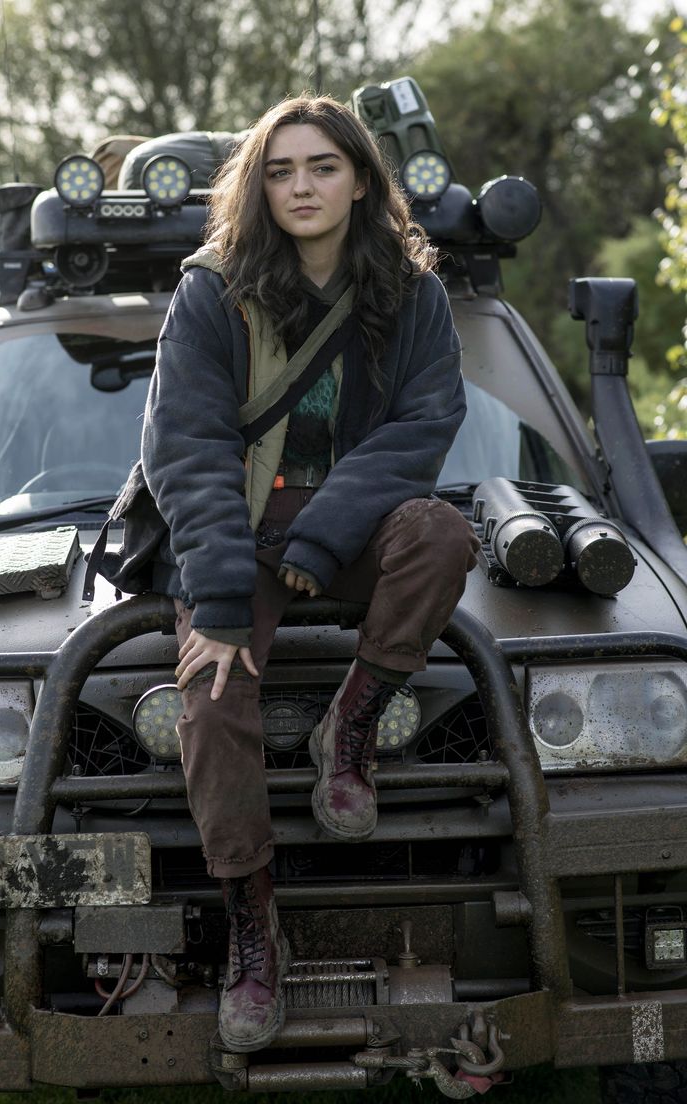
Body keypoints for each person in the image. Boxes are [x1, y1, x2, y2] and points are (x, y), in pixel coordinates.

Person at [140, 93, 480, 1053]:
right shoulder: (211, 290)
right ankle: (256, 924)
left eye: (322, 166)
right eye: (280, 170)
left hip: (351, 528)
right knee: (208, 696)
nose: (301, 186)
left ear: (362, 179)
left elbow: (423, 428)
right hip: (232, 534)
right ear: (258, 185)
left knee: (444, 535)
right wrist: (213, 597)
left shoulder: (414, 293)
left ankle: (351, 727)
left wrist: (323, 540)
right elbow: (187, 448)